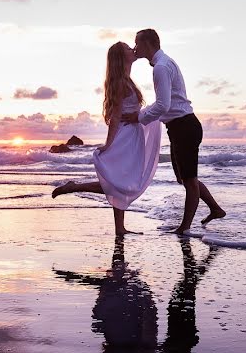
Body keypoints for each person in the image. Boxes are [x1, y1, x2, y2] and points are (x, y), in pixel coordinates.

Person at [122, 29, 226, 234]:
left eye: (137, 43)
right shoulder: (163, 63)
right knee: (185, 178)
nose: (135, 48)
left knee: (189, 180)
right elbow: (164, 103)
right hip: (179, 126)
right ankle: (215, 208)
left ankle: (184, 228)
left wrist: (138, 117)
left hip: (185, 126)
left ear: (148, 43)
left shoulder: (161, 67)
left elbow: (162, 105)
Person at [51, 41, 161, 235]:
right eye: (128, 48)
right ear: (121, 57)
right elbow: (116, 116)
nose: (132, 50)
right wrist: (109, 144)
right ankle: (74, 187)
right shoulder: (120, 83)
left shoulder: (127, 80)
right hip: (125, 136)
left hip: (132, 135)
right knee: (121, 183)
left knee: (122, 181)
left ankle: (120, 228)